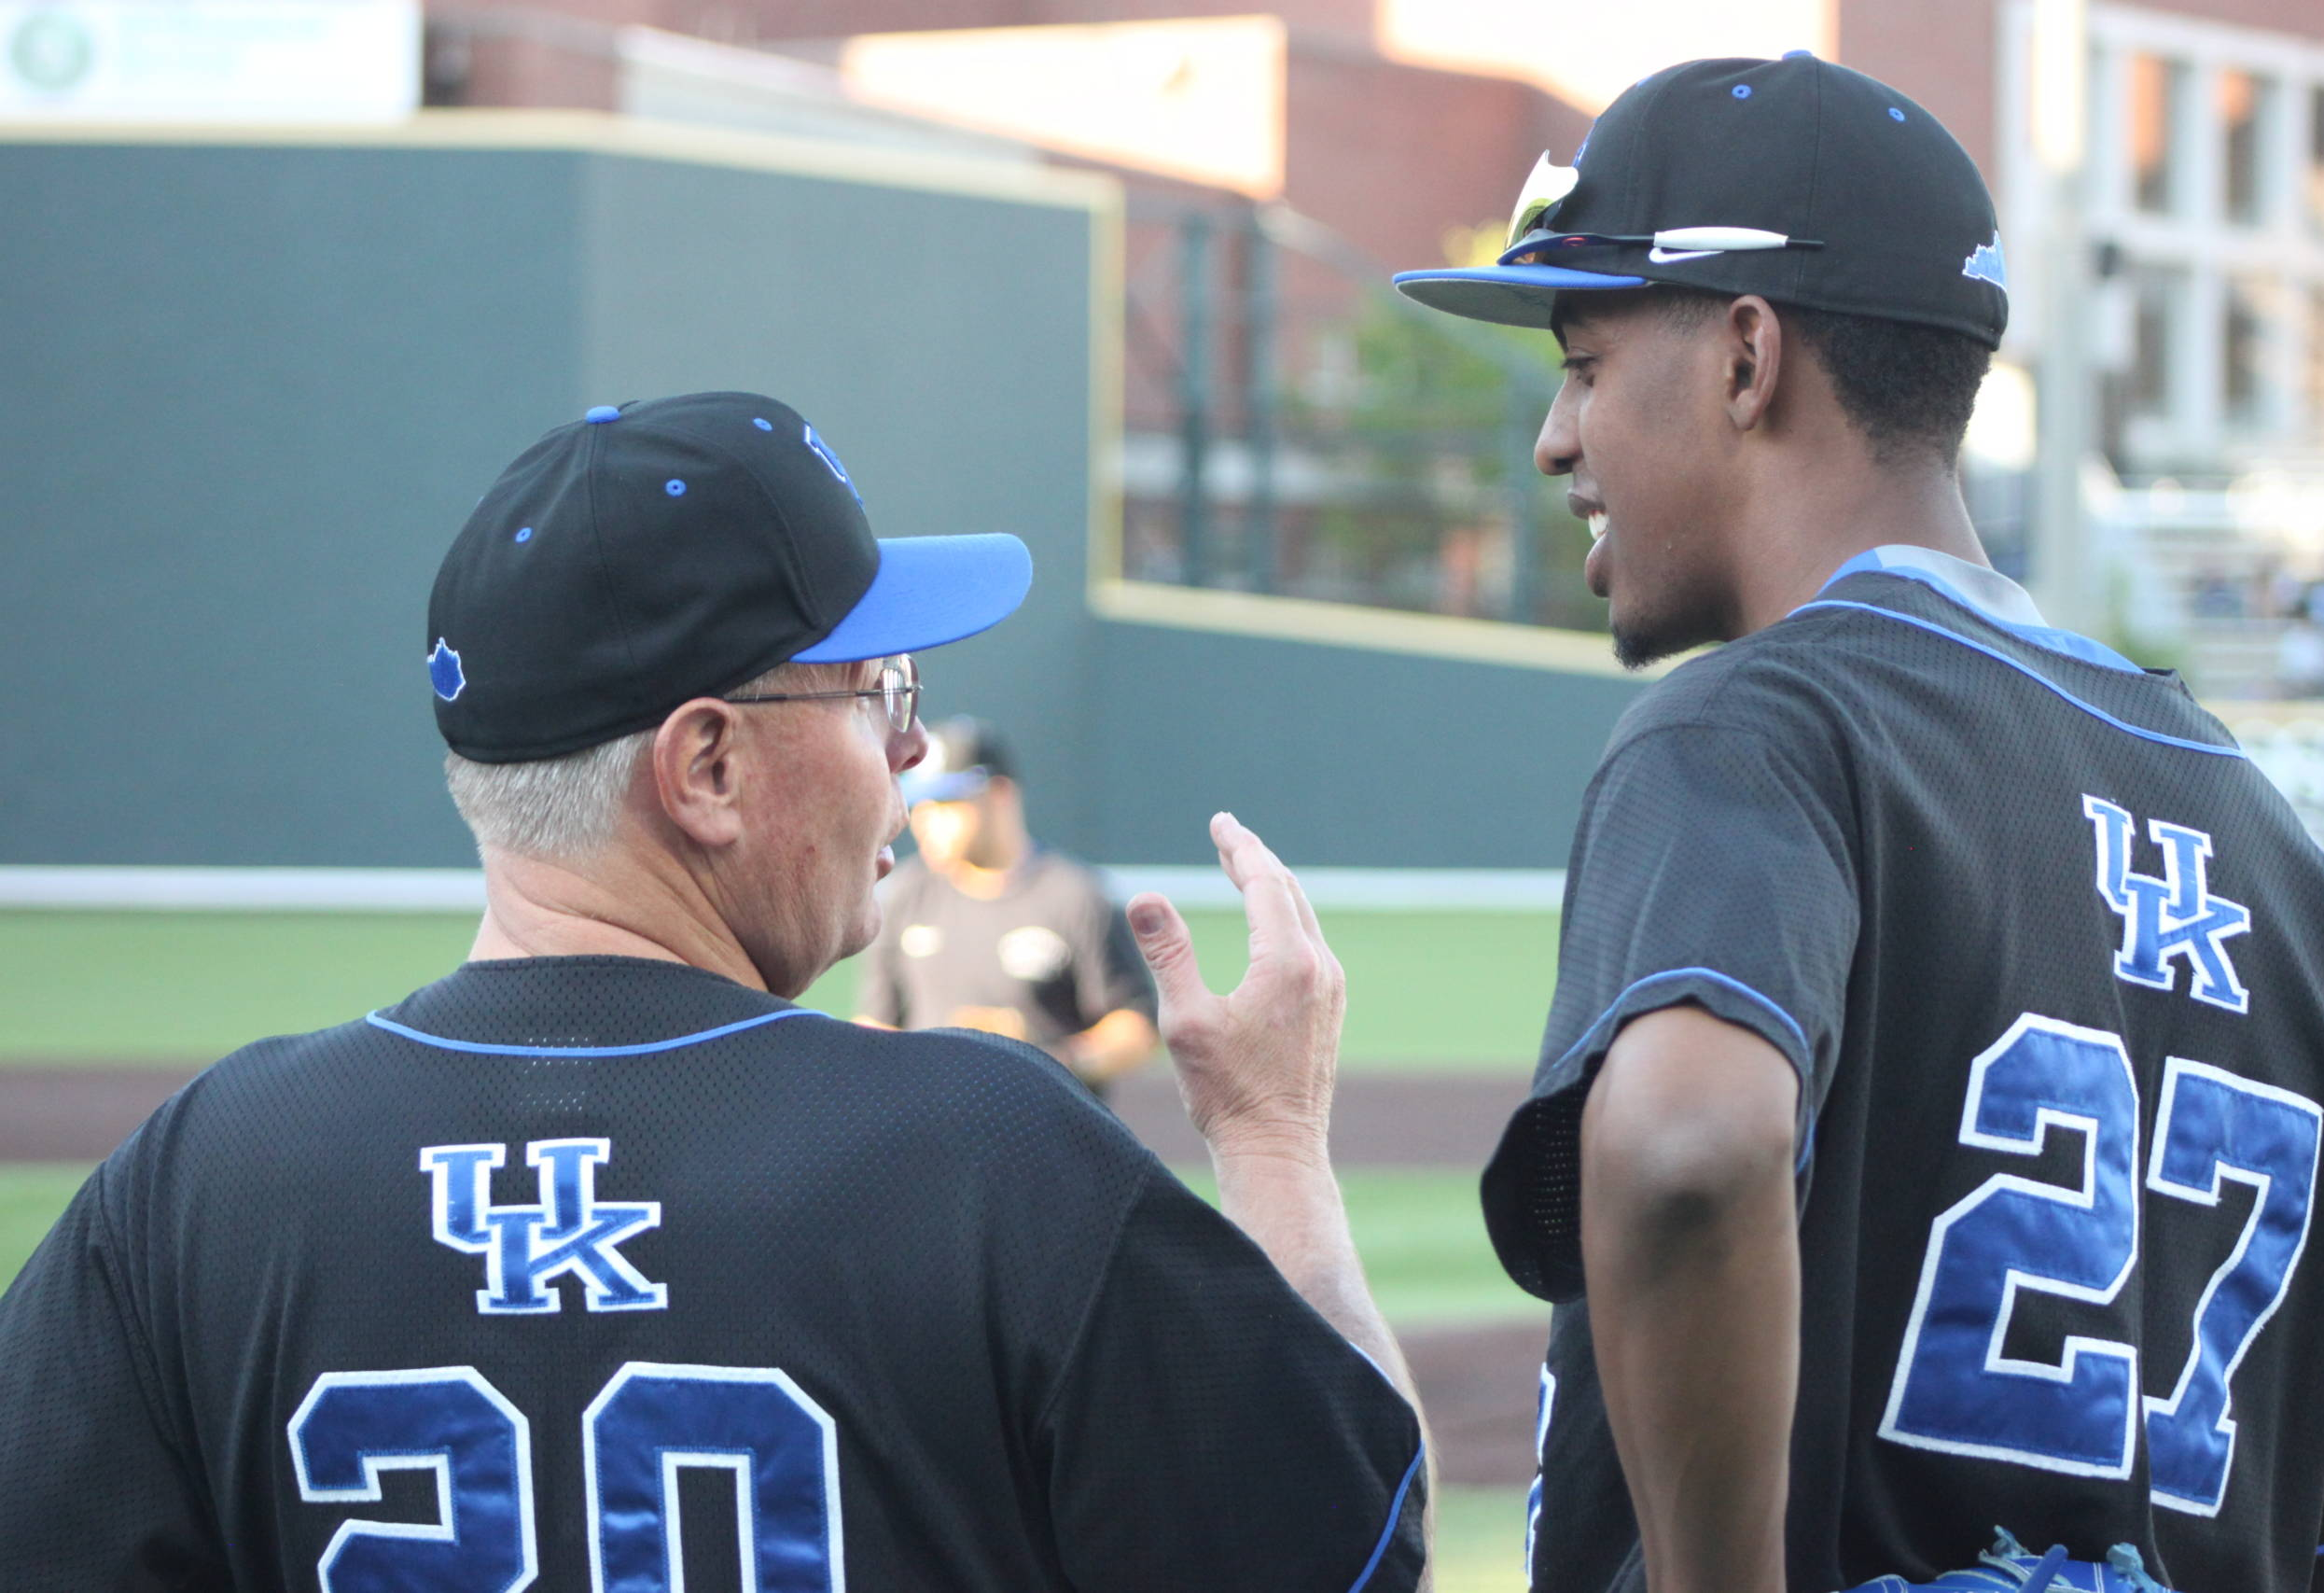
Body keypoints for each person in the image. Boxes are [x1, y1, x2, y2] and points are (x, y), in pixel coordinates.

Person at [0, 392, 1426, 1590]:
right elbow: (1354, 1549)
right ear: (708, 769)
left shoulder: (198, 1181)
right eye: (882, 687)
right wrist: (1272, 1136)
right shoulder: (990, 1151)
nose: (914, 750)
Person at [1395, 54, 2324, 1593]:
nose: (1556, 439)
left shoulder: (1758, 730)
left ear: (1744, 356)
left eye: (1584, 363)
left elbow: (1686, 1148)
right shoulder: (2274, 845)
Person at [857, 718, 1161, 1097]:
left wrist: (1044, 1058)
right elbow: (876, 1024)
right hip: (935, 1134)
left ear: (1000, 794)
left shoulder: (1075, 895)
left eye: (946, 804)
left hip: (1047, 1133)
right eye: (920, 805)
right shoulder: (905, 895)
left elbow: (1136, 1027)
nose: (924, 822)